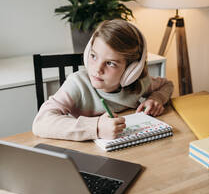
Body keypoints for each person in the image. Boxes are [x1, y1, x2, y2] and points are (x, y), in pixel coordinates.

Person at [32, 19, 173, 141]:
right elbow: (41, 122)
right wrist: (97, 127)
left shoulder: (139, 84)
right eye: (93, 56)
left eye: (110, 63)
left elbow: (167, 84)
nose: (97, 69)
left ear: (131, 71)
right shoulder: (77, 84)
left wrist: (157, 98)